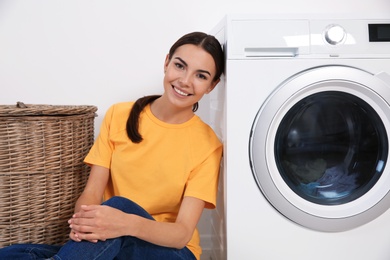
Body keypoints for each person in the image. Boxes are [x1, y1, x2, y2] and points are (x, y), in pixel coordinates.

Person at [0, 31, 224, 260]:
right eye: (180, 66)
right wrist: (85, 223)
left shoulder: (207, 145)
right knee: (13, 253)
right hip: (109, 239)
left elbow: (181, 234)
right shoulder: (120, 115)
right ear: (166, 62)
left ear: (211, 86)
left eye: (201, 76)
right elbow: (92, 194)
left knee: (118, 206)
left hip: (171, 252)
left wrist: (124, 223)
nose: (185, 81)